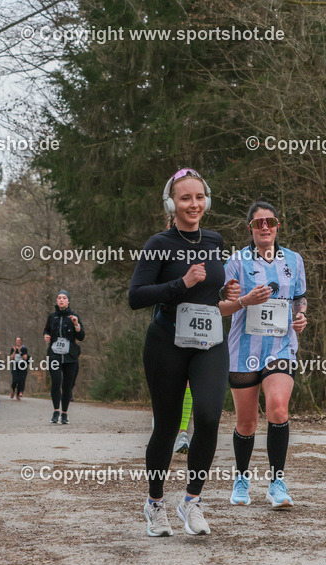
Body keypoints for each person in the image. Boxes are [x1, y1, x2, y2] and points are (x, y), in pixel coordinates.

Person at [128, 168, 240, 536]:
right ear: (171, 203)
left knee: (208, 417)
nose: (193, 204)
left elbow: (210, 294)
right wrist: (182, 282)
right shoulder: (158, 243)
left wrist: (229, 296)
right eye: (185, 198)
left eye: (198, 197)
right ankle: (155, 503)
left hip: (208, 341)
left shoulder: (214, 240)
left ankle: (191, 501)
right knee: (166, 426)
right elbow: (136, 296)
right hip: (166, 341)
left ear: (207, 200)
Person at [220, 199, 307, 508]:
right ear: (251, 229)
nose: (265, 227)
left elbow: (300, 299)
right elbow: (222, 307)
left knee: (278, 409)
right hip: (243, 350)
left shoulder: (294, 260)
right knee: (246, 423)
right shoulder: (235, 262)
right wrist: (245, 300)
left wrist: (301, 316)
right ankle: (241, 478)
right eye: (259, 223)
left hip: (281, 347)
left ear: (278, 226)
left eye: (270, 222)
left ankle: (277, 482)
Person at [44, 292, 84, 423]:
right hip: (54, 355)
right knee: (56, 382)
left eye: (64, 298)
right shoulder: (52, 317)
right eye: (59, 298)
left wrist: (76, 325)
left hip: (70, 356)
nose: (61, 300)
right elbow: (46, 330)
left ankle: (64, 413)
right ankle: (56, 411)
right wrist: (46, 335)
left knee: (67, 385)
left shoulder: (74, 317)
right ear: (57, 301)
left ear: (68, 301)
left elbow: (81, 337)